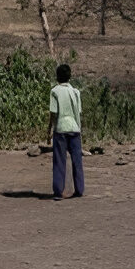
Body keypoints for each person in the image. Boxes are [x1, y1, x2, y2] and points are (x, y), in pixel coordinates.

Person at [47, 63, 84, 201]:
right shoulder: (75, 92)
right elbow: (78, 113)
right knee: (77, 160)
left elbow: (53, 113)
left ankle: (58, 191)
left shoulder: (54, 91)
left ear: (57, 76)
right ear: (70, 76)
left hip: (61, 129)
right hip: (74, 128)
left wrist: (49, 129)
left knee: (59, 161)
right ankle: (79, 190)